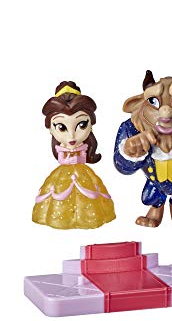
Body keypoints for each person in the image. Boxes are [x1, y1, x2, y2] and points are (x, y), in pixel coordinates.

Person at [32, 81, 116, 229]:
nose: (71, 136)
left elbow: (82, 157)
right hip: (64, 172)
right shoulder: (61, 148)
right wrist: (68, 160)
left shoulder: (83, 146)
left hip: (81, 171)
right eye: (61, 127)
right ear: (50, 129)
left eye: (82, 125)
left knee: (89, 196)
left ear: (91, 125)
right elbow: (61, 159)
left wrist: (77, 158)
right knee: (58, 195)